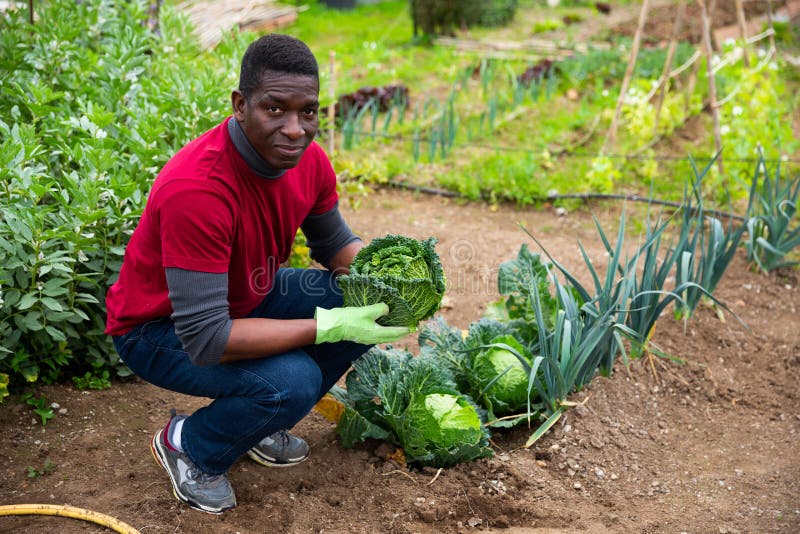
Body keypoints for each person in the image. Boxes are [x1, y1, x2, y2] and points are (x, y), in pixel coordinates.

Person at [104, 34, 411, 514]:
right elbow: (206, 338)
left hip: (247, 294)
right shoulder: (198, 190)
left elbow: (335, 246)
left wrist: (394, 278)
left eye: (307, 112)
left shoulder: (307, 161)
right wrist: (325, 327)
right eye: (275, 110)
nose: (295, 129)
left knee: (358, 299)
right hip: (159, 329)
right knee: (291, 382)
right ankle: (191, 445)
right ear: (241, 105)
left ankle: (254, 424)